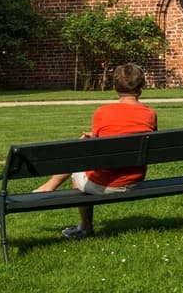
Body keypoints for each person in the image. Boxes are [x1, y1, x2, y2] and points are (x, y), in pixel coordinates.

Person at [34, 61, 157, 239]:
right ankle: (49, 186)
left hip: (105, 184)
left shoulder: (102, 113)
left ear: (114, 87)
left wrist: (93, 139)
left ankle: (84, 226)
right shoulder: (150, 114)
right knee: (86, 145)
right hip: (135, 180)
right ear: (142, 87)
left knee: (79, 154)